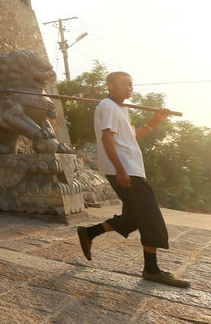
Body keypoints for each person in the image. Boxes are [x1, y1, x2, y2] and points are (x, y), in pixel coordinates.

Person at [76, 71, 190, 288]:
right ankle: (152, 269)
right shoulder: (107, 107)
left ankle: (89, 232)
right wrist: (120, 170)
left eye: (130, 84)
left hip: (131, 169)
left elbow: (132, 136)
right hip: (125, 171)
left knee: (134, 218)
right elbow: (107, 138)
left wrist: (155, 121)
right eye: (123, 84)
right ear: (109, 85)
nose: (129, 88)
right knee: (150, 216)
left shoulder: (121, 108)